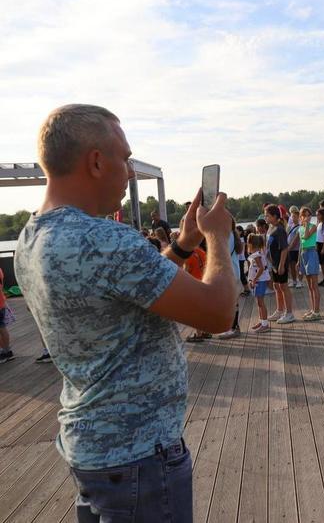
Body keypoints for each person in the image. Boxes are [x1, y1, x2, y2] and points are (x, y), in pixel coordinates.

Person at [14, 104, 237, 521]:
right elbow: (220, 312)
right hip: (141, 458)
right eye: (126, 158)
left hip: (92, 447)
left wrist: (186, 244)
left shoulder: (32, 237)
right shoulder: (106, 241)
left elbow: (134, 290)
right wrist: (218, 238)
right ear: (96, 161)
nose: (131, 171)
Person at [265, 205, 295, 324]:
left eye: (267, 215)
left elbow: (284, 249)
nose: (265, 217)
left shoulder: (280, 230)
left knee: (283, 287)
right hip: (274, 264)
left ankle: (289, 313)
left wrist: (282, 265)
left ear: (275, 216)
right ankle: (279, 310)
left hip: (280, 263)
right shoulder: (271, 228)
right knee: (276, 286)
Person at [215, 220, 244, 339]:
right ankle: (233, 327)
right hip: (234, 270)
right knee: (233, 301)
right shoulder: (233, 234)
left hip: (230, 272)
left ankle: (232, 328)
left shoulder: (228, 236)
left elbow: (222, 252)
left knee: (231, 302)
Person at [183, 239, 211, 342]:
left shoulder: (188, 255)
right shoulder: (201, 252)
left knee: (195, 312)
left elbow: (186, 272)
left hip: (193, 284)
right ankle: (205, 331)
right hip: (203, 282)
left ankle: (199, 334)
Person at [298, 207, 321, 321]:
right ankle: (312, 310)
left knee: (314, 285)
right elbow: (301, 245)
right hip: (303, 254)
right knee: (309, 286)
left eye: (308, 215)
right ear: (300, 217)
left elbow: (306, 236)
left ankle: (316, 312)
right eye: (304, 215)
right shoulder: (299, 229)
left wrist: (306, 224)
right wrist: (298, 260)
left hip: (311, 253)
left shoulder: (313, 227)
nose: (307, 217)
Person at [247, 234, 271, 333]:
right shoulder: (258, 253)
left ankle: (265, 324)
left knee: (261, 302)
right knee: (259, 302)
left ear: (251, 244)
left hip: (260, 281)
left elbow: (261, 268)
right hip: (259, 280)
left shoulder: (257, 255)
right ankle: (262, 321)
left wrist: (254, 279)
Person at [0, 267, 14, 363]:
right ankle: (6, 351)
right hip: (1, 302)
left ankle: (4, 352)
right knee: (2, 328)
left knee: (1, 328)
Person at [287, 206, 302, 288]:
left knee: (298, 266)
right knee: (291, 266)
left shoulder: (299, 227)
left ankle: (299, 281)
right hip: (290, 250)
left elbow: (295, 240)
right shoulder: (291, 226)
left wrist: (288, 248)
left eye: (294, 217)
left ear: (298, 217)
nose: (292, 218)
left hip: (296, 249)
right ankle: (294, 280)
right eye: (292, 216)